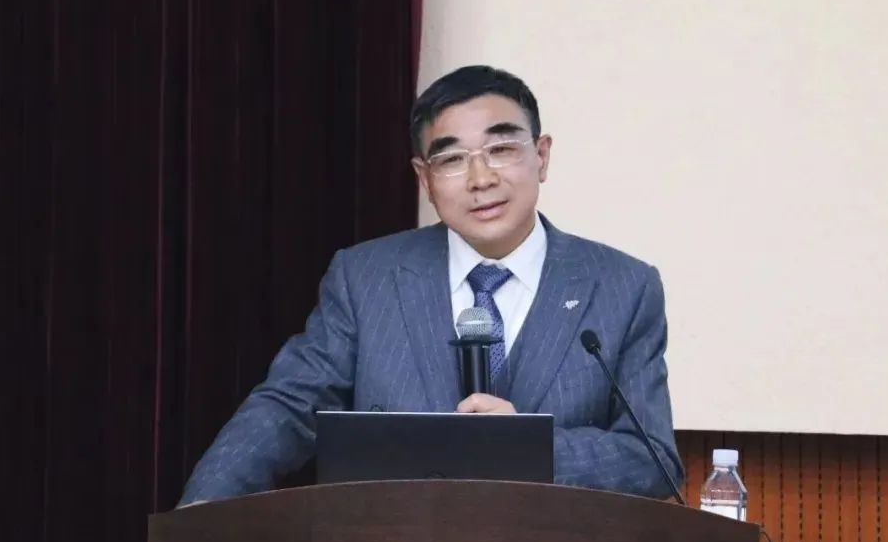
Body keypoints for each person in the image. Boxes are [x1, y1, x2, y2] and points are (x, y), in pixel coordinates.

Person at [178, 65, 683, 505]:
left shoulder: (623, 287)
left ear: (542, 155)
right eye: (452, 159)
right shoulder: (365, 278)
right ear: (424, 177)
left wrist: (527, 447)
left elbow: (654, 461)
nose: (481, 179)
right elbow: (289, 407)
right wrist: (203, 508)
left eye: (501, 149)